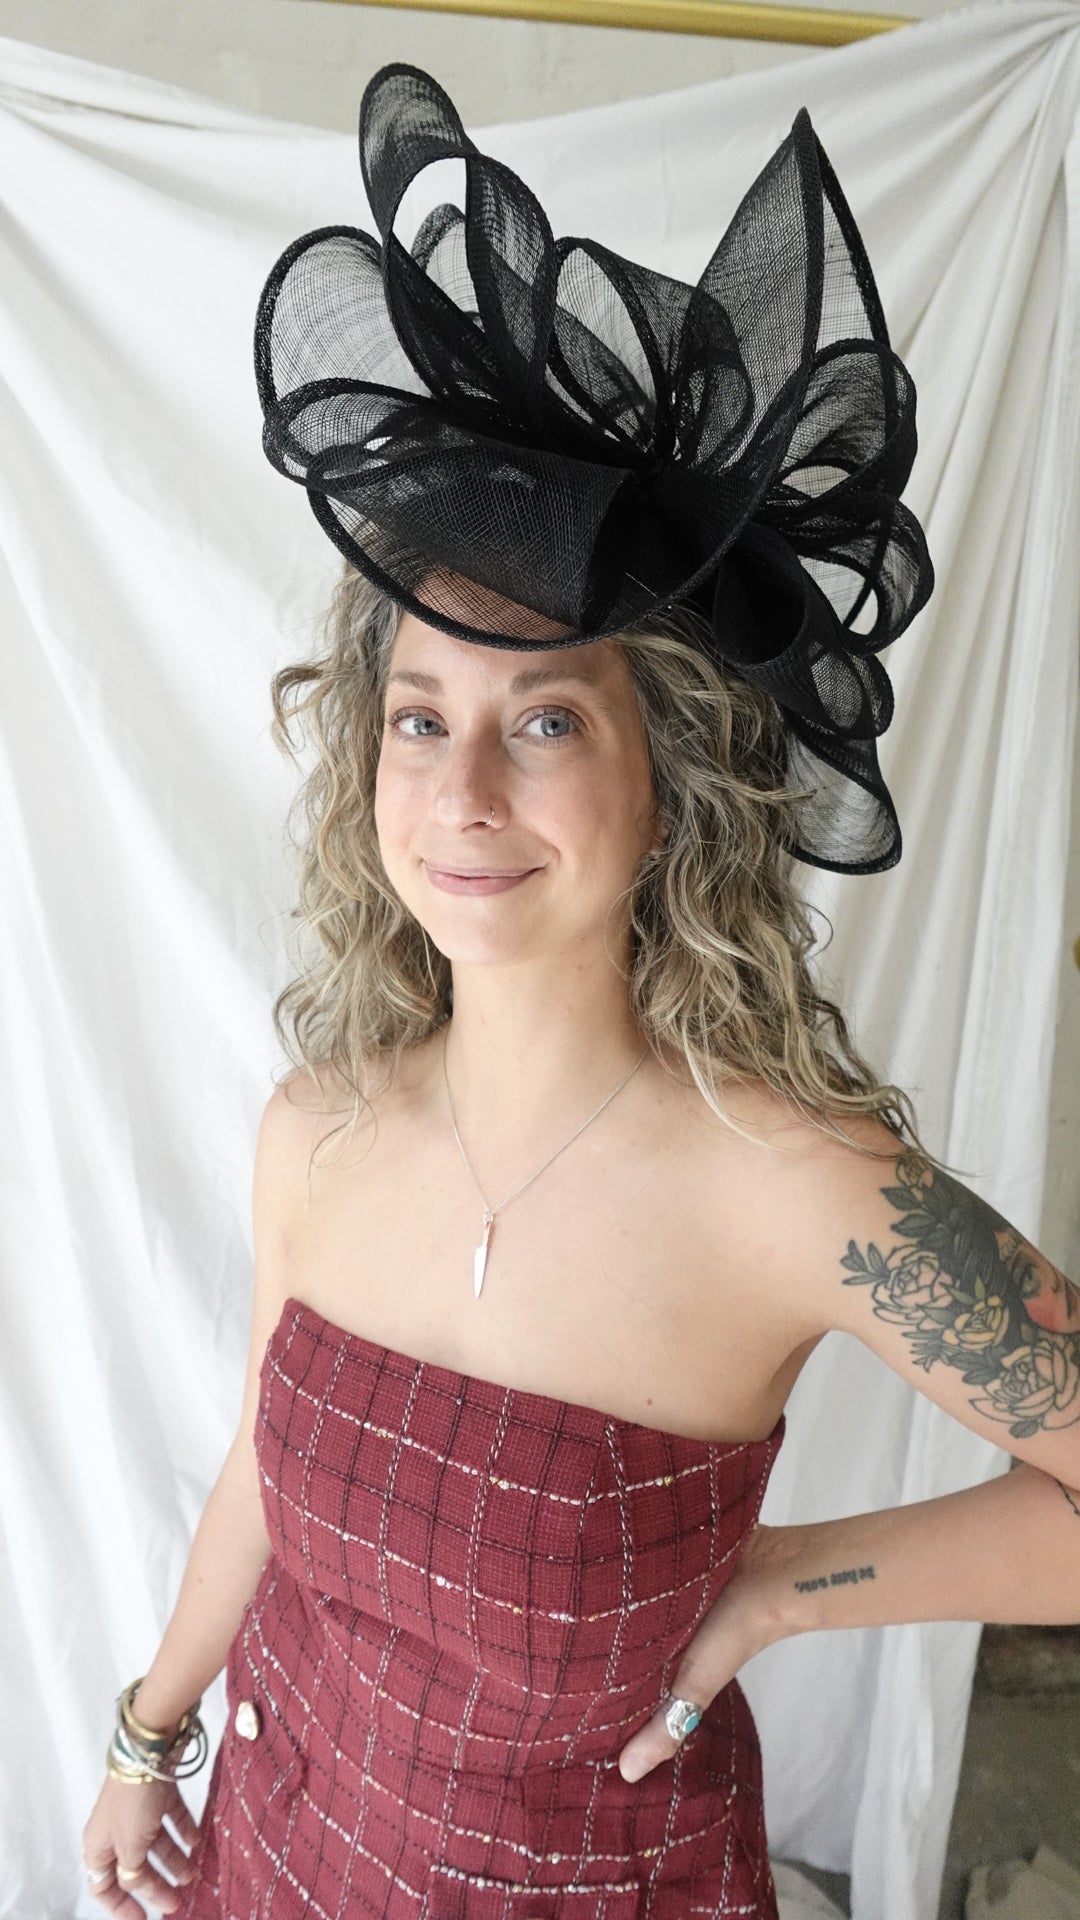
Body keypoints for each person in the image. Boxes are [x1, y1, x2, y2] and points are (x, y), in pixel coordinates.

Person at [81, 63, 1080, 1920]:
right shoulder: (321, 1128)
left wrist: (789, 1582)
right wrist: (147, 1738)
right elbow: (259, 1481)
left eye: (545, 719)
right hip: (280, 1849)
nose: (461, 798)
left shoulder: (796, 1188)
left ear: (673, 776)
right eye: (418, 720)